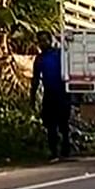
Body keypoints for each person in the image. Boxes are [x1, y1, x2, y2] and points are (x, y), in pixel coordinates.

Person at [30, 32, 72, 160]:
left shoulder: (59, 54)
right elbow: (36, 79)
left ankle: (66, 149)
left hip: (63, 93)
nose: (42, 44)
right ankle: (54, 151)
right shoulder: (39, 59)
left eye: (44, 40)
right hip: (49, 94)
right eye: (40, 41)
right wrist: (32, 96)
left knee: (64, 124)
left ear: (50, 40)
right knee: (50, 125)